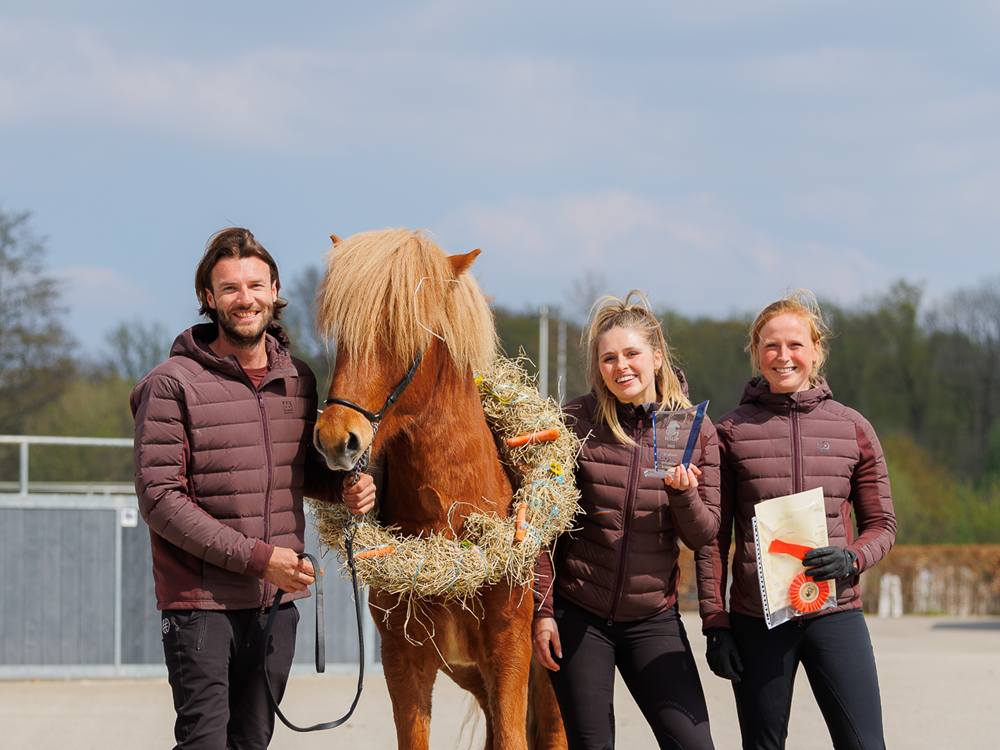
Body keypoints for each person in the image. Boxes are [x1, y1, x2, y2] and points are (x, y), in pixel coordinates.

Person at [131, 227, 376, 750]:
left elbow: (300, 472)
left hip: (275, 608)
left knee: (252, 743)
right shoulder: (171, 383)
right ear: (208, 297)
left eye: (256, 285)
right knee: (204, 743)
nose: (245, 299)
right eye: (230, 288)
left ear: (275, 290)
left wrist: (344, 488)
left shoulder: (299, 379)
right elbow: (160, 499)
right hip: (201, 606)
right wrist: (262, 560)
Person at [697, 289, 896, 750]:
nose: (783, 356)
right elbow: (712, 539)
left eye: (795, 345)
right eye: (771, 346)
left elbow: (883, 524)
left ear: (816, 350)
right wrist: (716, 622)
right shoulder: (729, 433)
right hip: (757, 620)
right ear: (756, 353)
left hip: (836, 613)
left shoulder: (853, 428)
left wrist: (851, 558)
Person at [532, 291, 720, 750]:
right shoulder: (575, 421)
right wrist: (543, 612)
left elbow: (703, 535)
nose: (622, 367)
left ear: (656, 357)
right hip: (579, 615)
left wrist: (683, 495)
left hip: (652, 618)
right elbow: (540, 526)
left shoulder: (693, 430)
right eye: (609, 358)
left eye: (632, 354)